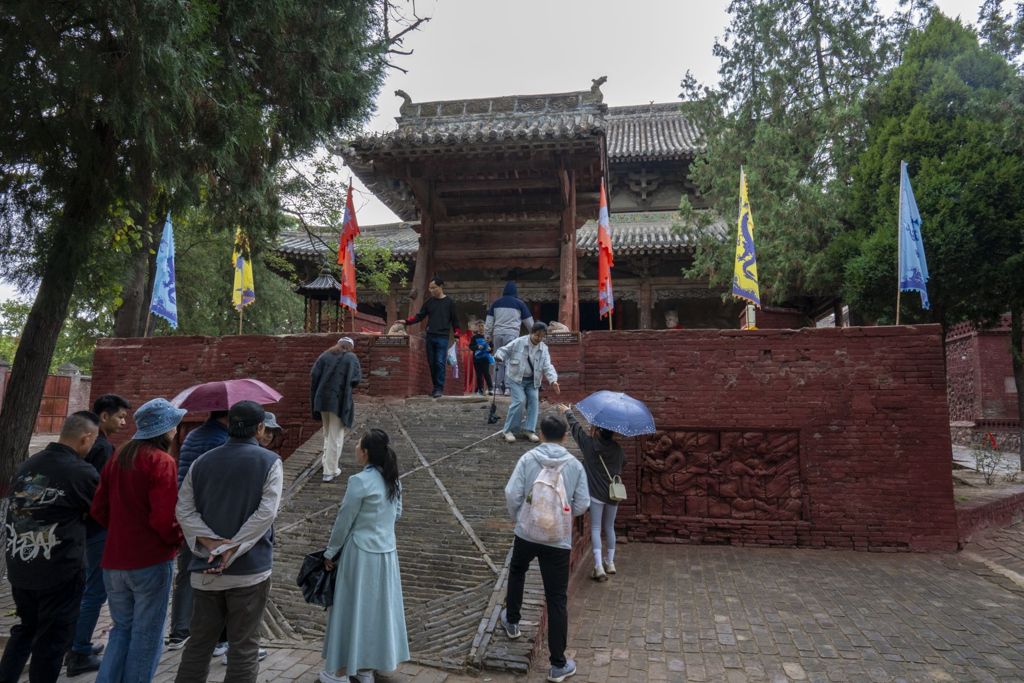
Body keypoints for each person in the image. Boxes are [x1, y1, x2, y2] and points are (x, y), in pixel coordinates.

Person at [174, 401, 283, 683]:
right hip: (250, 569)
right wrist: (232, 548)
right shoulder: (270, 462)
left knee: (198, 645)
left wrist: (212, 544)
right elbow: (266, 514)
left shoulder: (202, 462)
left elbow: (183, 509)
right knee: (244, 647)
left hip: (205, 568)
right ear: (260, 428)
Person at [91, 398, 185, 683]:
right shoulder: (161, 462)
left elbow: (98, 509)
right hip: (150, 559)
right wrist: (176, 540)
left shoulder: (119, 456)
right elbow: (163, 519)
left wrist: (122, 529)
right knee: (147, 635)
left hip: (115, 559)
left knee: (121, 630)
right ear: (166, 430)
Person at [0, 413, 100, 683]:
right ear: (86, 438)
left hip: (21, 565)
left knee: (26, 629)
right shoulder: (80, 472)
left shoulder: (28, 465)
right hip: (60, 569)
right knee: (52, 641)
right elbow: (101, 515)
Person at [500, 415, 589, 683]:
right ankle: (558, 664)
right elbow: (583, 503)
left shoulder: (528, 459)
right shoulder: (574, 465)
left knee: (517, 571)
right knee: (556, 598)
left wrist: (520, 517)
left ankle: (512, 621)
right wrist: (563, 517)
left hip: (527, 532)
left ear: (541, 432)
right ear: (565, 437)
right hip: (557, 540)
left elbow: (511, 493)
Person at [319, 429, 409, 683]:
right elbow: (397, 513)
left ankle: (340, 671)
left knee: (352, 609)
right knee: (378, 610)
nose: (355, 449)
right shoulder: (393, 480)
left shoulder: (359, 481)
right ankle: (367, 667)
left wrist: (330, 551)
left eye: (357, 445)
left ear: (366, 452)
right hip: (386, 552)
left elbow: (343, 521)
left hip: (359, 553)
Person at [66, 395, 131, 677]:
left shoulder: (89, 447)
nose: (124, 422)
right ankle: (78, 652)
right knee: (94, 591)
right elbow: (102, 494)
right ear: (104, 417)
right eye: (120, 417)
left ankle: (76, 643)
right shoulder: (102, 448)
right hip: (97, 529)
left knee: (85, 589)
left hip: (83, 527)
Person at [166, 409, 231, 654]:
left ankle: (179, 632)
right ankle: (213, 637)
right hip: (207, 512)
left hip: (187, 510)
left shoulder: (193, 435)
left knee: (185, 573)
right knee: (212, 573)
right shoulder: (221, 440)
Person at [557, 403, 626, 582]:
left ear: (597, 429)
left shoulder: (590, 445)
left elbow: (576, 430)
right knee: (609, 527)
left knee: (595, 527)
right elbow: (622, 465)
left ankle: (598, 566)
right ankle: (610, 562)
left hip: (595, 493)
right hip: (613, 494)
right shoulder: (618, 449)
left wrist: (568, 412)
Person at [494, 322, 560, 443]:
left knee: (534, 402)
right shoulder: (519, 342)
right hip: (516, 378)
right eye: (537, 335)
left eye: (542, 336)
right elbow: (504, 350)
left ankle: (529, 430)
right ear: (531, 333)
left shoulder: (544, 348)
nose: (539, 338)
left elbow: (547, 366)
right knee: (519, 401)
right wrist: (499, 356)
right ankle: (508, 430)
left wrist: (553, 380)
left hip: (533, 381)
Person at [397, 277, 461, 398]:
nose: (431, 290)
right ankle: (435, 386)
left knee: (440, 362)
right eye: (430, 288)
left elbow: (455, 321)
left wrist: (457, 335)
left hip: (443, 337)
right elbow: (419, 316)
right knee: (432, 363)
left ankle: (439, 388)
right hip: (430, 336)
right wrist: (406, 321)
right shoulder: (429, 303)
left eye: (433, 288)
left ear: (441, 286)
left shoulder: (450, 303)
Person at [311, 337, 363, 482]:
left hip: (321, 399)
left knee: (327, 433)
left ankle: (326, 462)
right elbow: (356, 379)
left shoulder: (325, 355)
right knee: (336, 436)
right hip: (338, 400)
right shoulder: (351, 358)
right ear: (350, 347)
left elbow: (314, 375)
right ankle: (330, 471)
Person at [485, 281, 534, 395]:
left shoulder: (496, 303)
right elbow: (529, 323)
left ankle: (496, 388)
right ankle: (508, 388)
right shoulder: (519, 304)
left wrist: (487, 335)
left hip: (497, 334)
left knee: (498, 360)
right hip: (512, 335)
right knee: (511, 361)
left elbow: (489, 321)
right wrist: (534, 333)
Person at [469, 320, 494, 396]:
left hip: (485, 358)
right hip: (476, 359)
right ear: (477, 327)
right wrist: (477, 347)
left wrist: (490, 349)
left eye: (482, 326)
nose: (481, 328)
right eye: (479, 326)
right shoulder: (474, 337)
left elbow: (491, 347)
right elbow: (470, 346)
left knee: (486, 373)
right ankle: (480, 389)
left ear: (485, 326)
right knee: (479, 375)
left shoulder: (487, 337)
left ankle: (490, 389)